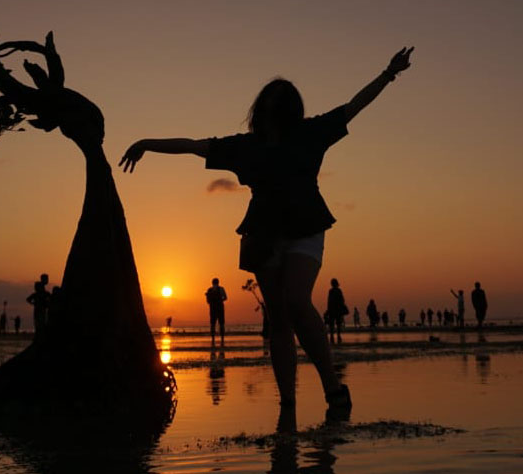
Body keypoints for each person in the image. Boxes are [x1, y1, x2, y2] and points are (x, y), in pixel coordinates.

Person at [120, 47, 414, 416]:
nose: (274, 109)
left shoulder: (310, 133)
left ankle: (332, 386)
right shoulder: (245, 146)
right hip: (262, 232)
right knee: (277, 317)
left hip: (306, 226)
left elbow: (354, 106)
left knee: (296, 300)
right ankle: (287, 402)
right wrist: (147, 143)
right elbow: (194, 147)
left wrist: (389, 73)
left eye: (280, 103)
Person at [205, 278, 228, 346]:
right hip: (219, 308)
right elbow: (225, 298)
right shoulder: (221, 289)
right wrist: (220, 300)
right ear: (218, 282)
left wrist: (213, 301)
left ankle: (213, 339)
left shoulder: (209, 290)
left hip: (213, 309)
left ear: (212, 283)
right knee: (221, 324)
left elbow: (207, 301)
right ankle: (222, 339)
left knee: (213, 324)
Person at [326, 279, 348, 344]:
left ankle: (332, 336)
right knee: (338, 324)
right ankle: (338, 336)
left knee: (332, 324)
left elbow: (329, 301)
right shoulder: (339, 291)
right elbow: (342, 300)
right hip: (338, 310)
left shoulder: (331, 291)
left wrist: (328, 310)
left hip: (332, 310)